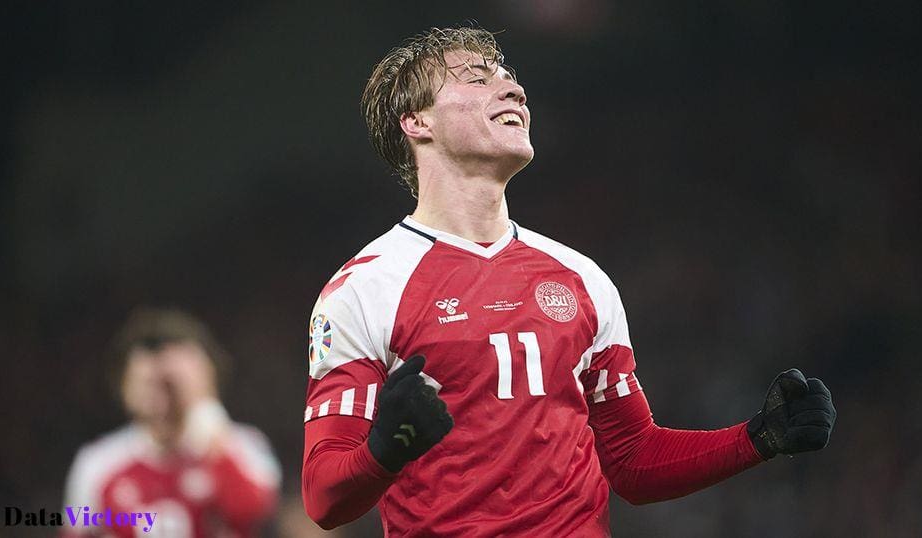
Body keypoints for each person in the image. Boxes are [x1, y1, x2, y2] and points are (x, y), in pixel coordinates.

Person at [301, 26, 836, 536]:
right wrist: (385, 450)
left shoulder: (582, 279)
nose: (513, 86)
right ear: (416, 121)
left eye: (508, 75)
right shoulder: (364, 290)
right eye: (477, 77)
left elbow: (632, 460)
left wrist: (758, 438)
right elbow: (323, 499)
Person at [63, 307, 280, 537]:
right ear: (124, 387)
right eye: (146, 381)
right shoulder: (97, 464)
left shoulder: (244, 445)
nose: (159, 393)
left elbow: (252, 514)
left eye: (170, 382)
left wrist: (204, 412)